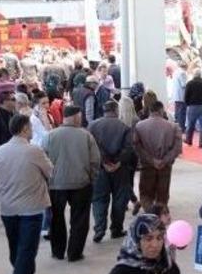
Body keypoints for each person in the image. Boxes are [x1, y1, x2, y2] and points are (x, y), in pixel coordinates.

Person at [0, 114, 53, 274]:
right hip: (31, 208)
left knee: (16, 248)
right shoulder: (34, 151)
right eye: (30, 127)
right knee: (26, 250)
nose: (31, 130)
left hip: (8, 209)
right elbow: (50, 171)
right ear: (24, 129)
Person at [42, 105, 101, 262]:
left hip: (55, 184)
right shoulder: (86, 136)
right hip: (81, 184)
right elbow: (95, 160)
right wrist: (91, 177)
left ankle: (58, 251)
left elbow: (42, 158)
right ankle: (74, 253)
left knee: (56, 218)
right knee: (80, 219)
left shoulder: (50, 135)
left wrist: (48, 178)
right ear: (76, 117)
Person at [88, 100, 135, 243]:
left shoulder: (92, 126)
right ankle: (116, 229)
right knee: (120, 200)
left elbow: (91, 148)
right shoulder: (124, 127)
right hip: (120, 170)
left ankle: (99, 229)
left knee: (99, 199)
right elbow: (129, 149)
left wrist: (103, 162)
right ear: (116, 110)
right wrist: (118, 162)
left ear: (104, 110)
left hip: (100, 169)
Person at [134, 100, 182, 210]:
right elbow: (177, 148)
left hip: (147, 166)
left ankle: (149, 215)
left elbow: (137, 147)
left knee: (146, 194)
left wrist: (151, 160)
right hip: (165, 166)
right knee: (162, 195)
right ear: (162, 110)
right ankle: (160, 216)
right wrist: (164, 160)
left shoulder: (139, 126)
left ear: (149, 111)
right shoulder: (173, 126)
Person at [184, 69, 202, 148]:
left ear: (194, 75)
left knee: (190, 124)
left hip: (192, 106)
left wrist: (187, 104)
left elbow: (186, 96)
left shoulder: (189, 83)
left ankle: (189, 140)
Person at [170, 61, 189, 134]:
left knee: (177, 113)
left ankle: (177, 127)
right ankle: (181, 128)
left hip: (176, 96)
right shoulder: (182, 73)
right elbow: (184, 84)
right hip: (182, 96)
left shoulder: (176, 72)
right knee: (182, 113)